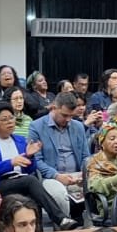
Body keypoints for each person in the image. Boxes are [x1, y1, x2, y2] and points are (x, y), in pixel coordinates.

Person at [0, 101, 77, 229]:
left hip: (21, 182)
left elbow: (30, 169)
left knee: (32, 195)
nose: (10, 122)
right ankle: (61, 218)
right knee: (30, 181)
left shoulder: (20, 140)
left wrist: (29, 156)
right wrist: (10, 163)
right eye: (4, 119)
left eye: (11, 118)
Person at [27, 92, 90, 221]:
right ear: (54, 108)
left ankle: (88, 231)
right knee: (59, 194)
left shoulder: (78, 127)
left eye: (71, 116)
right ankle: (65, 231)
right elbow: (37, 161)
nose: (67, 120)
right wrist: (57, 176)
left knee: (97, 187)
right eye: (64, 115)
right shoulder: (36, 127)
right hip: (51, 177)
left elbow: (86, 156)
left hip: (77, 175)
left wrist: (83, 173)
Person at [85, 124, 117, 220]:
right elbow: (95, 186)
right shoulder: (95, 162)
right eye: (112, 139)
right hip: (112, 206)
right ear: (102, 143)